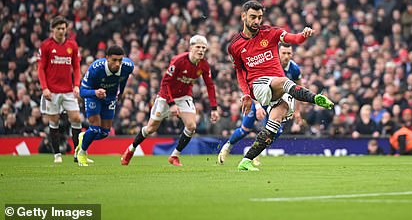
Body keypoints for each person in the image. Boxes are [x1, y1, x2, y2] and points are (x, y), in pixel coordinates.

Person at [227, 0, 334, 171]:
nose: (257, 21)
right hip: (259, 86)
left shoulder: (271, 32)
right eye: (253, 17)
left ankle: (246, 161)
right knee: (284, 82)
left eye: (260, 17)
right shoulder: (234, 46)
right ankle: (315, 98)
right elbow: (240, 72)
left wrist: (303, 35)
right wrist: (246, 94)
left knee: (274, 124)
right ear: (243, 16)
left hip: (276, 86)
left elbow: (294, 38)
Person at [121, 35, 219, 166]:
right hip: (166, 96)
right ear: (191, 48)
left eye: (203, 48)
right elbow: (165, 83)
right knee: (150, 129)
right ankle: (130, 149)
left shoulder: (204, 65)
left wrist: (214, 108)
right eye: (198, 47)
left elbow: (210, 85)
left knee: (191, 126)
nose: (201, 50)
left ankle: (174, 156)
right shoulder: (178, 61)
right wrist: (171, 104)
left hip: (184, 97)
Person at [217, 43, 301, 165]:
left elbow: (298, 89)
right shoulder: (269, 64)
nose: (286, 56)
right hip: (259, 99)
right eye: (283, 53)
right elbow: (255, 85)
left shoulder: (294, 69)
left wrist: (297, 111)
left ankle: (256, 152)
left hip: (275, 103)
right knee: (245, 129)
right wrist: (257, 106)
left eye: (289, 53)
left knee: (275, 132)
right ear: (277, 53)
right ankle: (227, 147)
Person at [76, 45, 134, 166]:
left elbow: (124, 78)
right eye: (114, 60)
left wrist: (121, 92)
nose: (118, 64)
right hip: (94, 97)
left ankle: (83, 137)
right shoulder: (96, 69)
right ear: (107, 58)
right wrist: (95, 92)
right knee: (95, 127)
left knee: (104, 133)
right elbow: (82, 91)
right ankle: (81, 153)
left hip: (110, 97)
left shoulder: (128, 66)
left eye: (120, 60)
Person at [37, 16, 82, 163]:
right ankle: (57, 154)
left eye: (64, 28)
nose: (62, 31)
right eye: (59, 28)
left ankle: (77, 153)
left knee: (76, 118)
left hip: (68, 90)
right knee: (54, 121)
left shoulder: (72, 45)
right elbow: (41, 69)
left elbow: (76, 67)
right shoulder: (46, 46)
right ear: (53, 29)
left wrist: (76, 85)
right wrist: (44, 88)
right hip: (52, 91)